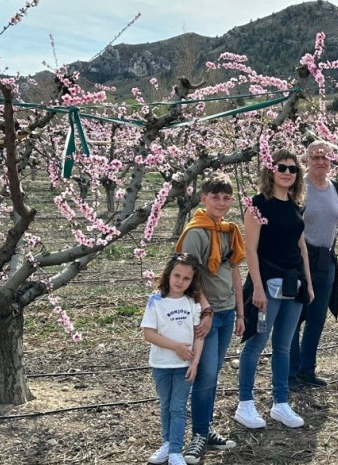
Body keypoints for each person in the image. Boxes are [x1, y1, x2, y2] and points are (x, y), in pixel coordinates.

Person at [236, 149, 314, 430]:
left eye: (292, 169)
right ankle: (245, 403)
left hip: (294, 284)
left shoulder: (295, 205)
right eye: (281, 168)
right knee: (256, 342)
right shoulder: (258, 205)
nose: (287, 173)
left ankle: (281, 402)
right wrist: (256, 286)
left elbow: (301, 245)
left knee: (283, 346)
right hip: (268, 282)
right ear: (270, 170)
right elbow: (251, 250)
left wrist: (309, 282)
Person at [175, 173, 245, 463]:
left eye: (226, 197)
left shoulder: (229, 230)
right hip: (206, 315)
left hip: (227, 312)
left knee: (212, 374)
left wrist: (241, 311)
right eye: (215, 196)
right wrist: (205, 309)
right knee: (204, 375)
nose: (221, 202)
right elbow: (189, 278)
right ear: (203, 199)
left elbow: (235, 271)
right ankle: (198, 435)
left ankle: (205, 430)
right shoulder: (196, 232)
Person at [142, 253, 206, 465]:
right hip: (161, 364)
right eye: (177, 275)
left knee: (178, 407)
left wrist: (195, 362)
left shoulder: (192, 303)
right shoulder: (156, 301)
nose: (180, 281)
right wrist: (176, 347)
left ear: (192, 281)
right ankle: (167, 443)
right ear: (168, 274)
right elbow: (149, 334)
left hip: (184, 366)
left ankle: (177, 450)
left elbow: (199, 335)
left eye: (186, 278)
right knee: (165, 404)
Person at [289, 141, 338, 388]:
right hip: (302, 259)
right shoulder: (299, 189)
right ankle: (290, 371)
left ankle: (307, 369)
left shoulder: (336, 187)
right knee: (295, 315)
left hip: (326, 260)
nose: (320, 161)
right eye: (315, 157)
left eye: (324, 156)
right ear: (306, 161)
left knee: (317, 316)